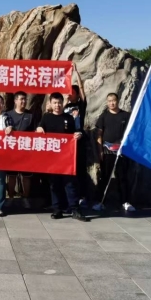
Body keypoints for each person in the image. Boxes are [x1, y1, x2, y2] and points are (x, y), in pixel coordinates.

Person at [36, 92, 86, 221]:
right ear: (50, 104)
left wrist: (78, 135)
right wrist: (39, 129)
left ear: (62, 103)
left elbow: (77, 131)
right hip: (52, 158)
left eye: (59, 102)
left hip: (66, 158)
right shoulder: (46, 117)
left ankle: (75, 209)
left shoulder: (69, 118)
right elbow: (39, 129)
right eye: (55, 103)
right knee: (54, 184)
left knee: (70, 184)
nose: (57, 105)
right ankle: (57, 209)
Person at [93, 93, 135, 213]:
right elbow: (99, 135)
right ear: (107, 102)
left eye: (114, 100)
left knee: (123, 177)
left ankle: (125, 202)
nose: (112, 103)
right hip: (107, 152)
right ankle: (100, 202)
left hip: (121, 152)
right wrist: (100, 151)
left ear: (118, 101)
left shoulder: (126, 115)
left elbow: (131, 133)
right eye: (109, 101)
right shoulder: (104, 116)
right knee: (105, 177)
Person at [64, 82, 91, 207]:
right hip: (67, 140)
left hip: (79, 139)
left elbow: (82, 90)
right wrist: (65, 101)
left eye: (72, 93)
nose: (70, 94)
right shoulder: (65, 105)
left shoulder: (81, 105)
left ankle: (82, 196)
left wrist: (77, 74)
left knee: (80, 168)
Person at [6, 91, 34, 209]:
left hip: (25, 150)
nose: (23, 101)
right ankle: (10, 197)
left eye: (25, 99)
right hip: (11, 151)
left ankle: (25, 198)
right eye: (21, 99)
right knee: (11, 176)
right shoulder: (7, 115)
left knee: (26, 177)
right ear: (15, 100)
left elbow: (34, 132)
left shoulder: (30, 115)